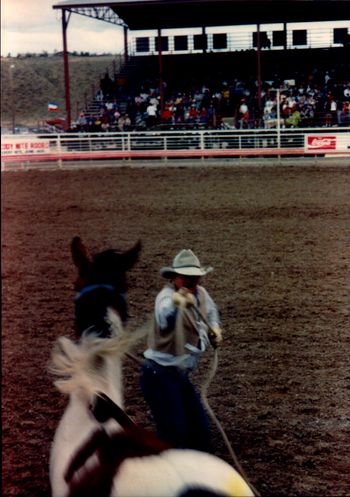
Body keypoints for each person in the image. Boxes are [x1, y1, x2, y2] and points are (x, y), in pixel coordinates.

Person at [140, 249, 223, 452]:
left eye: (194, 277)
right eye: (185, 277)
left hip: (179, 376)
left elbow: (211, 314)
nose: (190, 281)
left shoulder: (202, 294)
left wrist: (215, 329)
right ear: (174, 278)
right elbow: (164, 318)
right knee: (174, 433)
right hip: (159, 375)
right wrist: (177, 305)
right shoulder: (166, 297)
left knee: (201, 432)